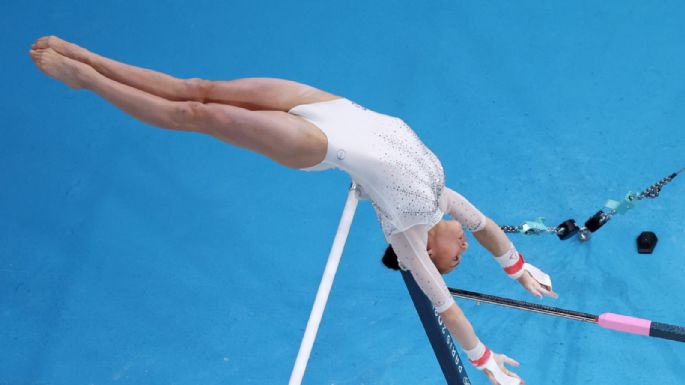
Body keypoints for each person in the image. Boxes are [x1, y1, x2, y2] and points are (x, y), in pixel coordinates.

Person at [30, 36, 557, 385]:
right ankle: (93, 56)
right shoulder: (447, 203)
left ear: (427, 255)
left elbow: (448, 310)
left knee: (196, 113)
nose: (461, 249)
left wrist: (485, 361)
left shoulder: (407, 239)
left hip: (319, 143)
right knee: (200, 87)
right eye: (460, 252)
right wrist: (518, 266)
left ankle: (88, 81)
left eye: (453, 260)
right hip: (336, 106)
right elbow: (486, 228)